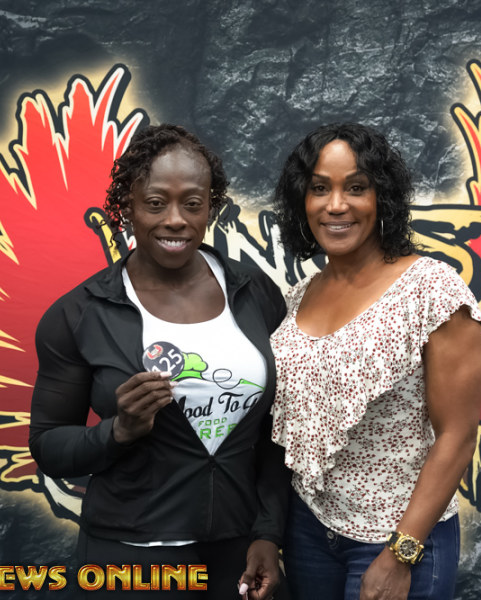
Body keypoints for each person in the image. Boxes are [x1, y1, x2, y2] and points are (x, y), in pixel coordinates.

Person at [29, 124, 289, 599]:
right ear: (126, 207)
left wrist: (268, 532)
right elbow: (48, 446)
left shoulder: (254, 293)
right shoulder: (80, 313)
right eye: (155, 203)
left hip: (237, 551)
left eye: (192, 203)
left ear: (211, 207)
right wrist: (119, 430)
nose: (175, 220)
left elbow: (280, 431)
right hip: (129, 556)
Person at [269, 122, 481, 600]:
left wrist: (401, 554)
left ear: (382, 198)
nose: (336, 205)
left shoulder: (431, 290)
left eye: (356, 188)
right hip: (309, 529)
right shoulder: (299, 296)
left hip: (398, 539)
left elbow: (458, 435)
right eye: (319, 188)